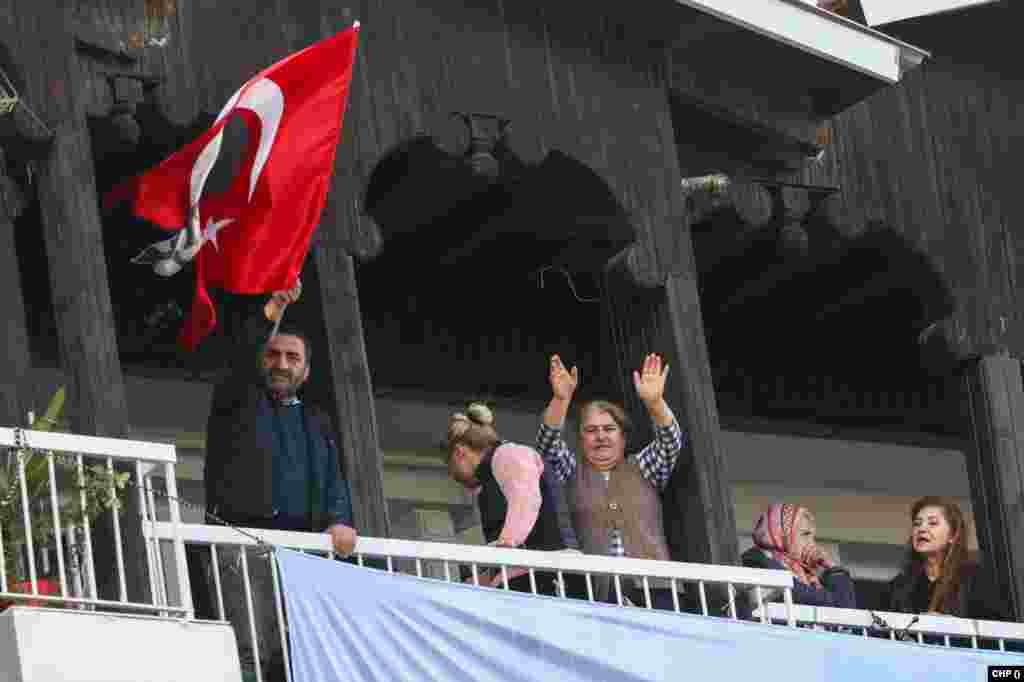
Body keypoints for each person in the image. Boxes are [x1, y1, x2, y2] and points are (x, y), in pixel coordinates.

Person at [204, 282, 357, 681]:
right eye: (273, 354)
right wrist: (273, 307)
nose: (282, 363)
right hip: (242, 546)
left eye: (293, 357)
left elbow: (333, 480)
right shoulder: (236, 401)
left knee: (295, 653)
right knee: (248, 651)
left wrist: (341, 519)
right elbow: (240, 355)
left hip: (301, 553)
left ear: (305, 371)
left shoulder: (317, 420)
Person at [536, 353, 688, 610]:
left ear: (623, 436)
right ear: (581, 439)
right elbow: (548, 444)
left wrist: (655, 403)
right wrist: (561, 400)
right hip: (597, 592)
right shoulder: (572, 471)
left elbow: (670, 441)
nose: (600, 437)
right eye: (591, 430)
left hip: (655, 589)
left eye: (609, 429)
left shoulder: (643, 467)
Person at [445, 403, 584, 597]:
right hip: (529, 575)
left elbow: (525, 500)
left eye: (453, 471)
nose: (456, 478)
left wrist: (505, 545)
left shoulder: (509, 454)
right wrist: (484, 578)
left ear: (460, 452)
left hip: (551, 573)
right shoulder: (489, 478)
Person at [886, 496, 1008, 621]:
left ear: (952, 535)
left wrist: (951, 624)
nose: (921, 529)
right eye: (917, 524)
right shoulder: (899, 586)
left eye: (933, 523)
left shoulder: (975, 580)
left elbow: (997, 627)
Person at [741, 503, 856, 615]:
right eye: (805, 534)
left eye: (812, 537)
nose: (811, 543)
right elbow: (804, 596)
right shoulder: (757, 559)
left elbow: (847, 612)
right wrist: (830, 597)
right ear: (782, 532)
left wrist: (832, 566)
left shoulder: (807, 575)